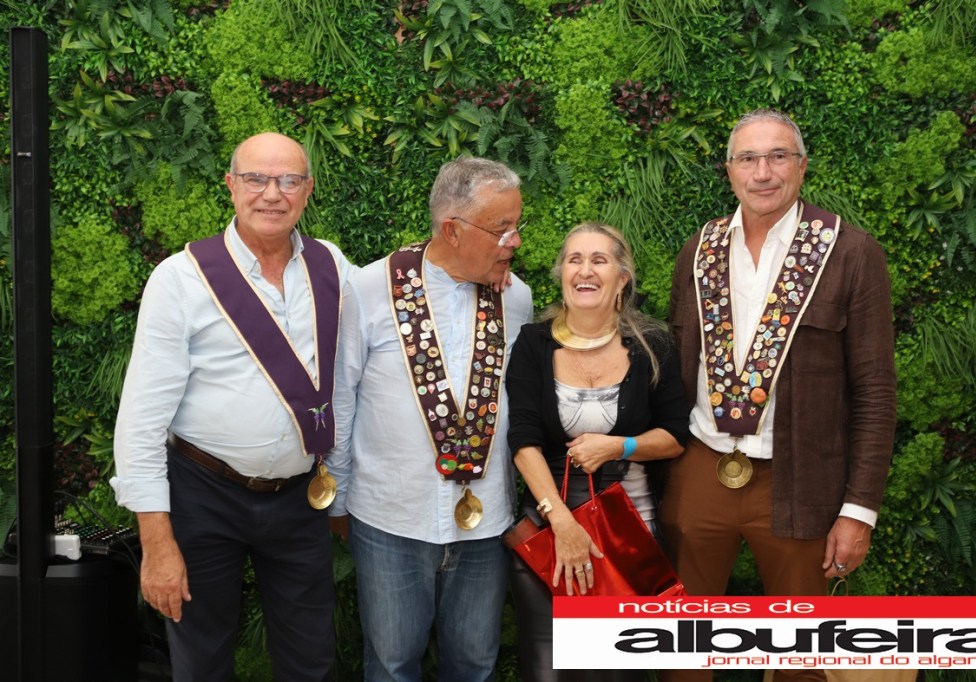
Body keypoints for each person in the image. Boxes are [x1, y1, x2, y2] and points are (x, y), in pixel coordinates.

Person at [659, 109, 897, 682]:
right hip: (701, 470)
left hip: (800, 483)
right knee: (681, 650)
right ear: (729, 170)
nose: (762, 172)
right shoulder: (700, 249)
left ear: (802, 166)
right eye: (748, 158)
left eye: (777, 156)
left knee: (799, 658)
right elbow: (675, 363)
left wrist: (858, 511)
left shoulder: (848, 251)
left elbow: (875, 392)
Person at [112, 132, 356, 681]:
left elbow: (394, 301)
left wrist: (477, 269)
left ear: (308, 190)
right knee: (201, 662)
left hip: (299, 499)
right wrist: (157, 541)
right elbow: (141, 420)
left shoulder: (333, 266)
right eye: (255, 179)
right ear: (230, 185)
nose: (272, 194)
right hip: (203, 496)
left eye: (288, 180)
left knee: (312, 660)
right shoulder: (181, 278)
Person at [326, 156, 533, 681]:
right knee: (392, 665)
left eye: (517, 226)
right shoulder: (370, 288)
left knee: (476, 665)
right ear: (452, 230)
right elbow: (342, 398)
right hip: (390, 517)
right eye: (501, 229)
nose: (514, 242)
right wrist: (338, 497)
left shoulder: (517, 298)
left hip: (485, 520)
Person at [506, 222, 689, 682]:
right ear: (562, 274)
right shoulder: (532, 343)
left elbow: (675, 436)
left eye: (599, 260)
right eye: (575, 260)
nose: (585, 271)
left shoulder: (653, 345)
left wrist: (619, 446)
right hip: (548, 535)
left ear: (622, 278)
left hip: (630, 536)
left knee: (617, 674)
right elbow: (523, 441)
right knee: (548, 672)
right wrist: (563, 523)